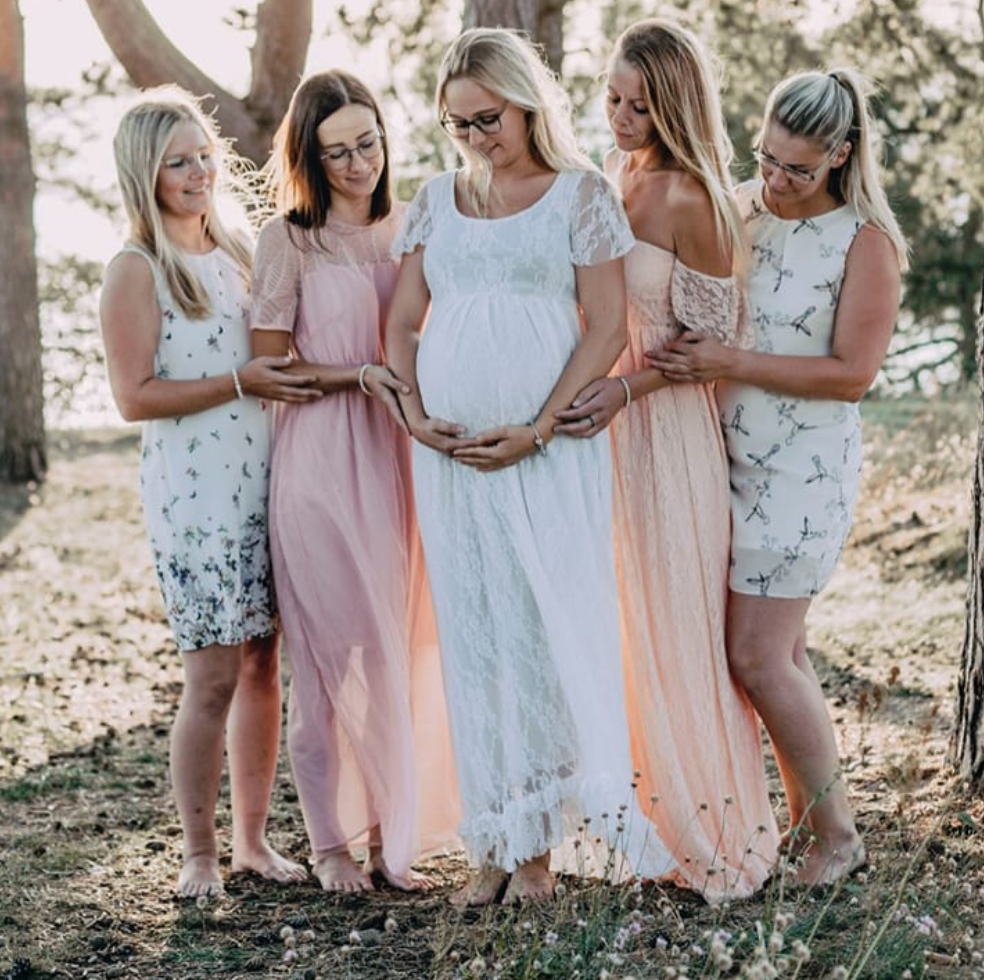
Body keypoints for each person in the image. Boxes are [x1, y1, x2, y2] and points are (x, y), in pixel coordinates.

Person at [383, 27, 674, 906]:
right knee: (477, 637)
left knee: (542, 632)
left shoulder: (580, 196)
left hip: (545, 454)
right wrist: (414, 414)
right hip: (452, 457)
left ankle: (539, 850)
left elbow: (605, 327)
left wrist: (539, 428)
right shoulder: (435, 200)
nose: (476, 137)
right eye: (458, 123)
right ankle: (494, 839)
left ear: (526, 103)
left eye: (490, 118)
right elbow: (402, 322)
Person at [649, 67, 907, 885]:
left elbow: (852, 374)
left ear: (841, 154)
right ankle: (806, 824)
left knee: (757, 655)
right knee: (782, 650)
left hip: (803, 474)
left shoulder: (864, 241)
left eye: (798, 167)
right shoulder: (741, 209)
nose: (777, 179)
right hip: (722, 457)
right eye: (767, 158)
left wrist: (728, 361)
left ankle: (839, 836)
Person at [554, 18, 780, 902]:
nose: (620, 117)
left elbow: (710, 348)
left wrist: (628, 390)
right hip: (597, 431)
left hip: (665, 431)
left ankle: (709, 824)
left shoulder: (694, 199)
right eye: (612, 98)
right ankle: (630, 819)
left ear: (677, 107)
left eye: (640, 106)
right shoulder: (609, 178)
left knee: (676, 620)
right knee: (612, 618)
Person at [99, 86, 317, 897]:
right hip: (195, 503)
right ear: (144, 175)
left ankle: (253, 843)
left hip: (264, 485)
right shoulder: (136, 269)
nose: (199, 174)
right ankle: (199, 854)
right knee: (213, 676)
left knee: (263, 666)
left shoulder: (239, 252)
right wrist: (238, 382)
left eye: (204, 156)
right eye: (177, 164)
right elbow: (134, 397)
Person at [250, 70, 459, 893]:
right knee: (326, 659)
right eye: (336, 152)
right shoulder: (287, 241)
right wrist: (359, 377)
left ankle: (387, 837)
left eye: (367, 143)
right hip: (321, 466)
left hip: (404, 458)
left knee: (392, 651)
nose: (357, 164)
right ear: (308, 157)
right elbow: (269, 368)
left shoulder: (413, 227)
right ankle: (329, 843)